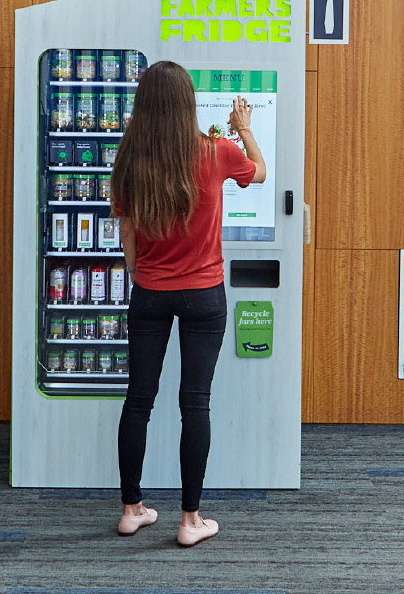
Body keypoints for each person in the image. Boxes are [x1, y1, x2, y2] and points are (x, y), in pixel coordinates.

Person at [109, 60, 266, 548]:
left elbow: (128, 235)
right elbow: (259, 173)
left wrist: (142, 276)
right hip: (204, 295)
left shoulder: (130, 160)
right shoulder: (217, 151)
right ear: (188, 104)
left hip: (151, 293)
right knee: (194, 402)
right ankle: (190, 520)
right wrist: (244, 129)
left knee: (139, 399)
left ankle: (132, 509)